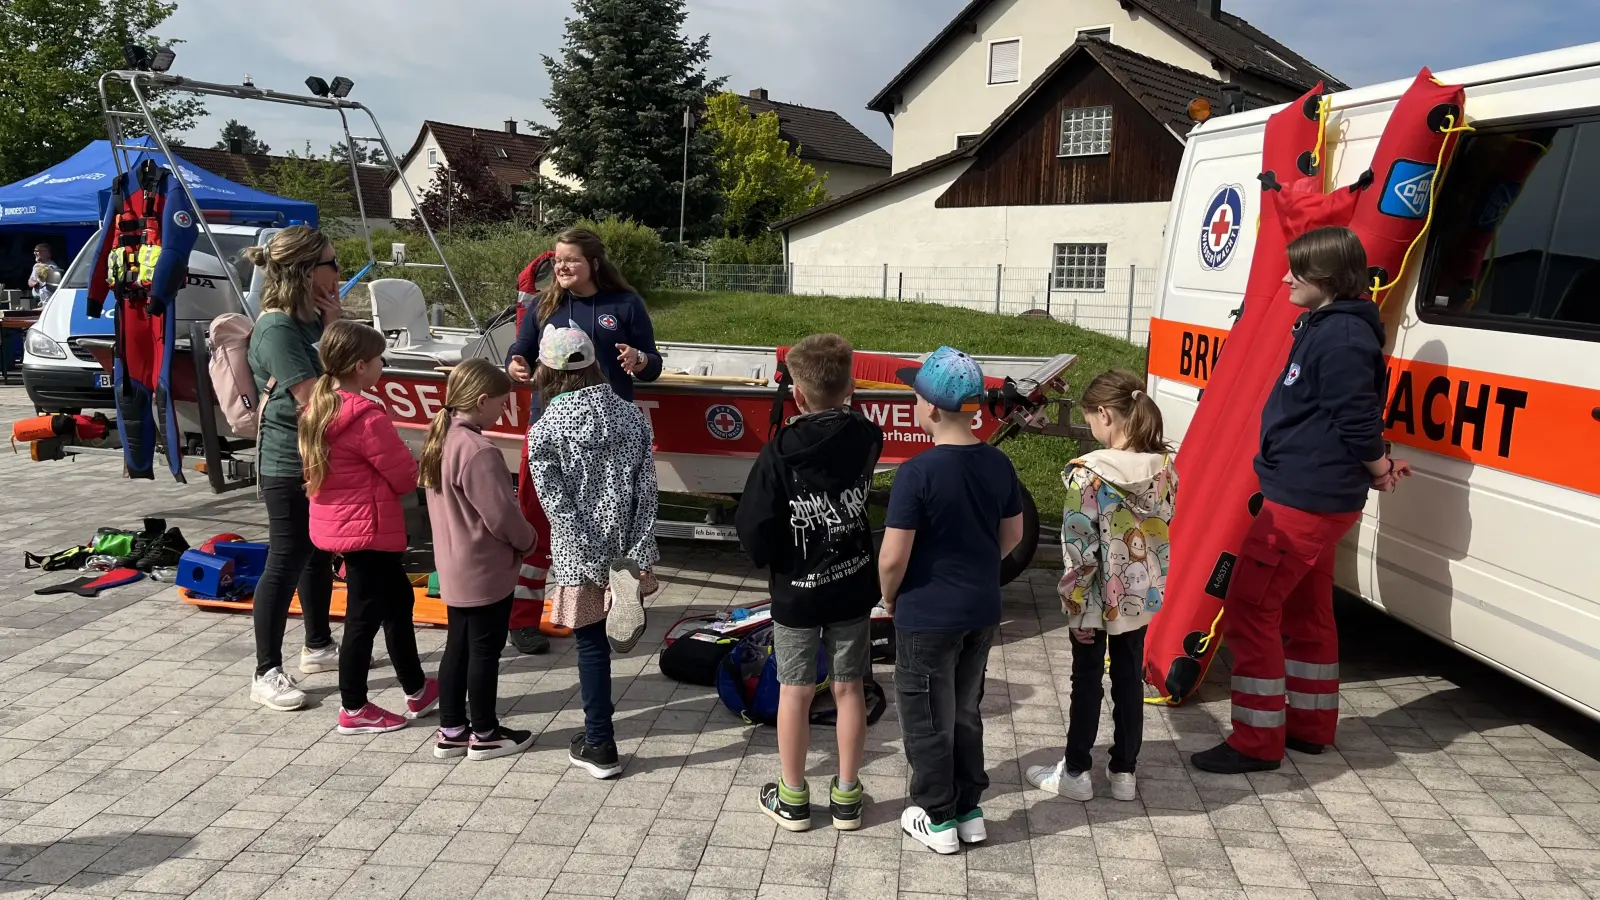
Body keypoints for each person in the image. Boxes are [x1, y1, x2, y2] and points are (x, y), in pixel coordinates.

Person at [1192, 226, 1411, 775]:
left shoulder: (1340, 339)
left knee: (1250, 606)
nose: (1286, 277)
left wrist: (1380, 467)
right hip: (1315, 497)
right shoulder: (1331, 327)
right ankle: (1310, 727)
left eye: (1298, 271)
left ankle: (1256, 741)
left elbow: (1358, 420)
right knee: (1305, 609)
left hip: (1303, 501)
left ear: (1329, 279)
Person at [879, 346, 1025, 855]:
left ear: (933, 409)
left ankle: (934, 814)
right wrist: (981, 569)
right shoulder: (998, 464)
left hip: (926, 613)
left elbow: (894, 556)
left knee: (924, 714)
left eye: (916, 396)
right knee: (965, 709)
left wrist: (888, 597)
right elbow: (1012, 534)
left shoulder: (916, 473)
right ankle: (969, 808)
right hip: (981, 609)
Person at [735, 334, 883, 833]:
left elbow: (753, 526)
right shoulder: (867, 437)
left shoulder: (778, 453)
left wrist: (772, 559)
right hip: (851, 584)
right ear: (851, 388)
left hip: (797, 591)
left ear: (796, 395)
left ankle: (793, 795)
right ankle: (847, 795)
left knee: (794, 691)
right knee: (849, 690)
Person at [505, 228, 662, 654]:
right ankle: (523, 619)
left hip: (611, 434)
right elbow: (518, 350)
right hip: (551, 430)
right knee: (539, 523)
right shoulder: (542, 304)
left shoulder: (625, 304)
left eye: (570, 259)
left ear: (594, 263)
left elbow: (653, 366)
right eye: (557, 260)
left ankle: (614, 601)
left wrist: (640, 359)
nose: (560, 267)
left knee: (614, 521)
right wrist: (516, 364)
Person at [1026, 370, 1177, 802]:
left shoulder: (1087, 474)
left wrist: (1074, 602)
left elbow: (1078, 548)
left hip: (1094, 597)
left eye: (1090, 418)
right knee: (1130, 678)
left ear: (1107, 415)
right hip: (1140, 595)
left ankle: (1076, 772)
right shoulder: (1166, 468)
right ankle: (1124, 772)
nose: (1090, 427)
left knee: (1086, 679)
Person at [526, 325, 660, 780]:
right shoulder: (632, 415)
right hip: (626, 548)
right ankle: (624, 588)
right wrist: (636, 553)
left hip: (579, 555)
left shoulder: (545, 429)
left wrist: (588, 558)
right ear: (593, 363)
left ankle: (600, 742)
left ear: (546, 369)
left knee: (589, 648)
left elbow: (556, 505)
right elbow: (647, 490)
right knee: (603, 640)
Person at [299, 320, 437, 735]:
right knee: (363, 619)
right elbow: (401, 475)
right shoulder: (366, 416)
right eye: (379, 358)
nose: (383, 365)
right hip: (368, 530)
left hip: (345, 527)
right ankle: (353, 707)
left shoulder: (318, 408)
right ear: (361, 366)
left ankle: (416, 688)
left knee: (398, 604)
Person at [242, 226, 344, 711]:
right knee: (286, 558)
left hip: (316, 455)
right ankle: (265, 671)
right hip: (287, 459)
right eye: (332, 263)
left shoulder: (311, 320)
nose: (338, 272)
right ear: (306, 272)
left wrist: (333, 324)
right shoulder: (278, 327)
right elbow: (314, 398)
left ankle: (318, 645)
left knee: (317, 551)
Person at [420, 359, 539, 760]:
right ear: (482, 400)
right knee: (485, 651)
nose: (503, 412)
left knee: (458, 646)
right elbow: (501, 516)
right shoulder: (479, 451)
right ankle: (485, 731)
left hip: (453, 564)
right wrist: (529, 540)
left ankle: (452, 728)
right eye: (501, 404)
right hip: (485, 568)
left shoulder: (442, 440)